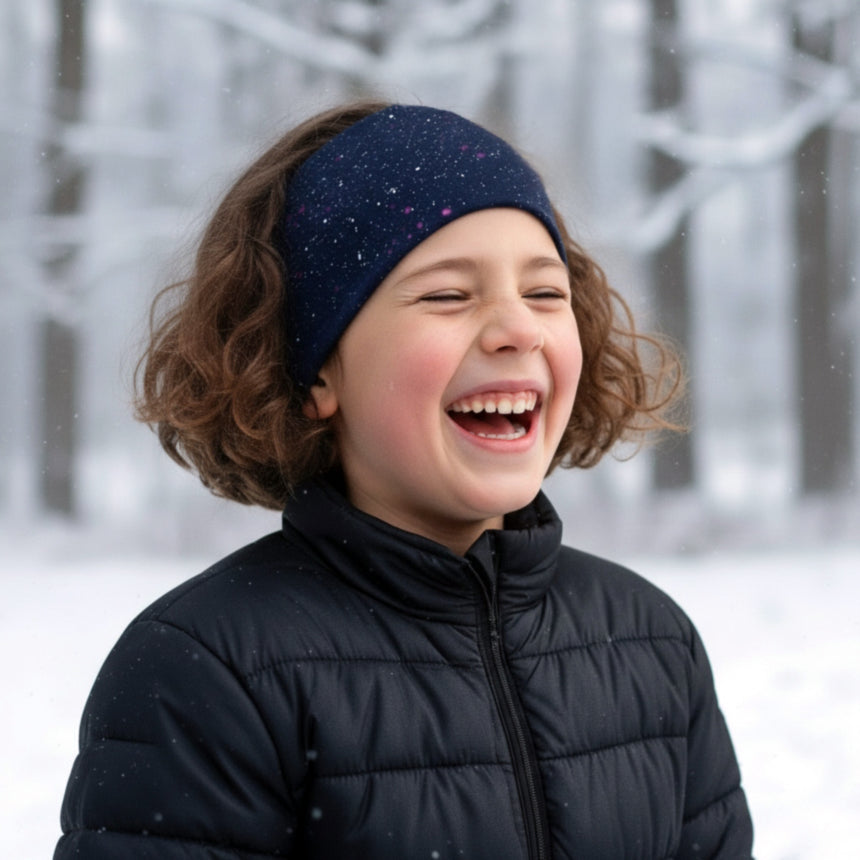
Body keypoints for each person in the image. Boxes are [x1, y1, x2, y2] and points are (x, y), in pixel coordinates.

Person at [54, 101, 753, 859]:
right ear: (317, 369)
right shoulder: (207, 670)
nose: (517, 327)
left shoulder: (650, 641)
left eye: (545, 292)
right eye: (448, 294)